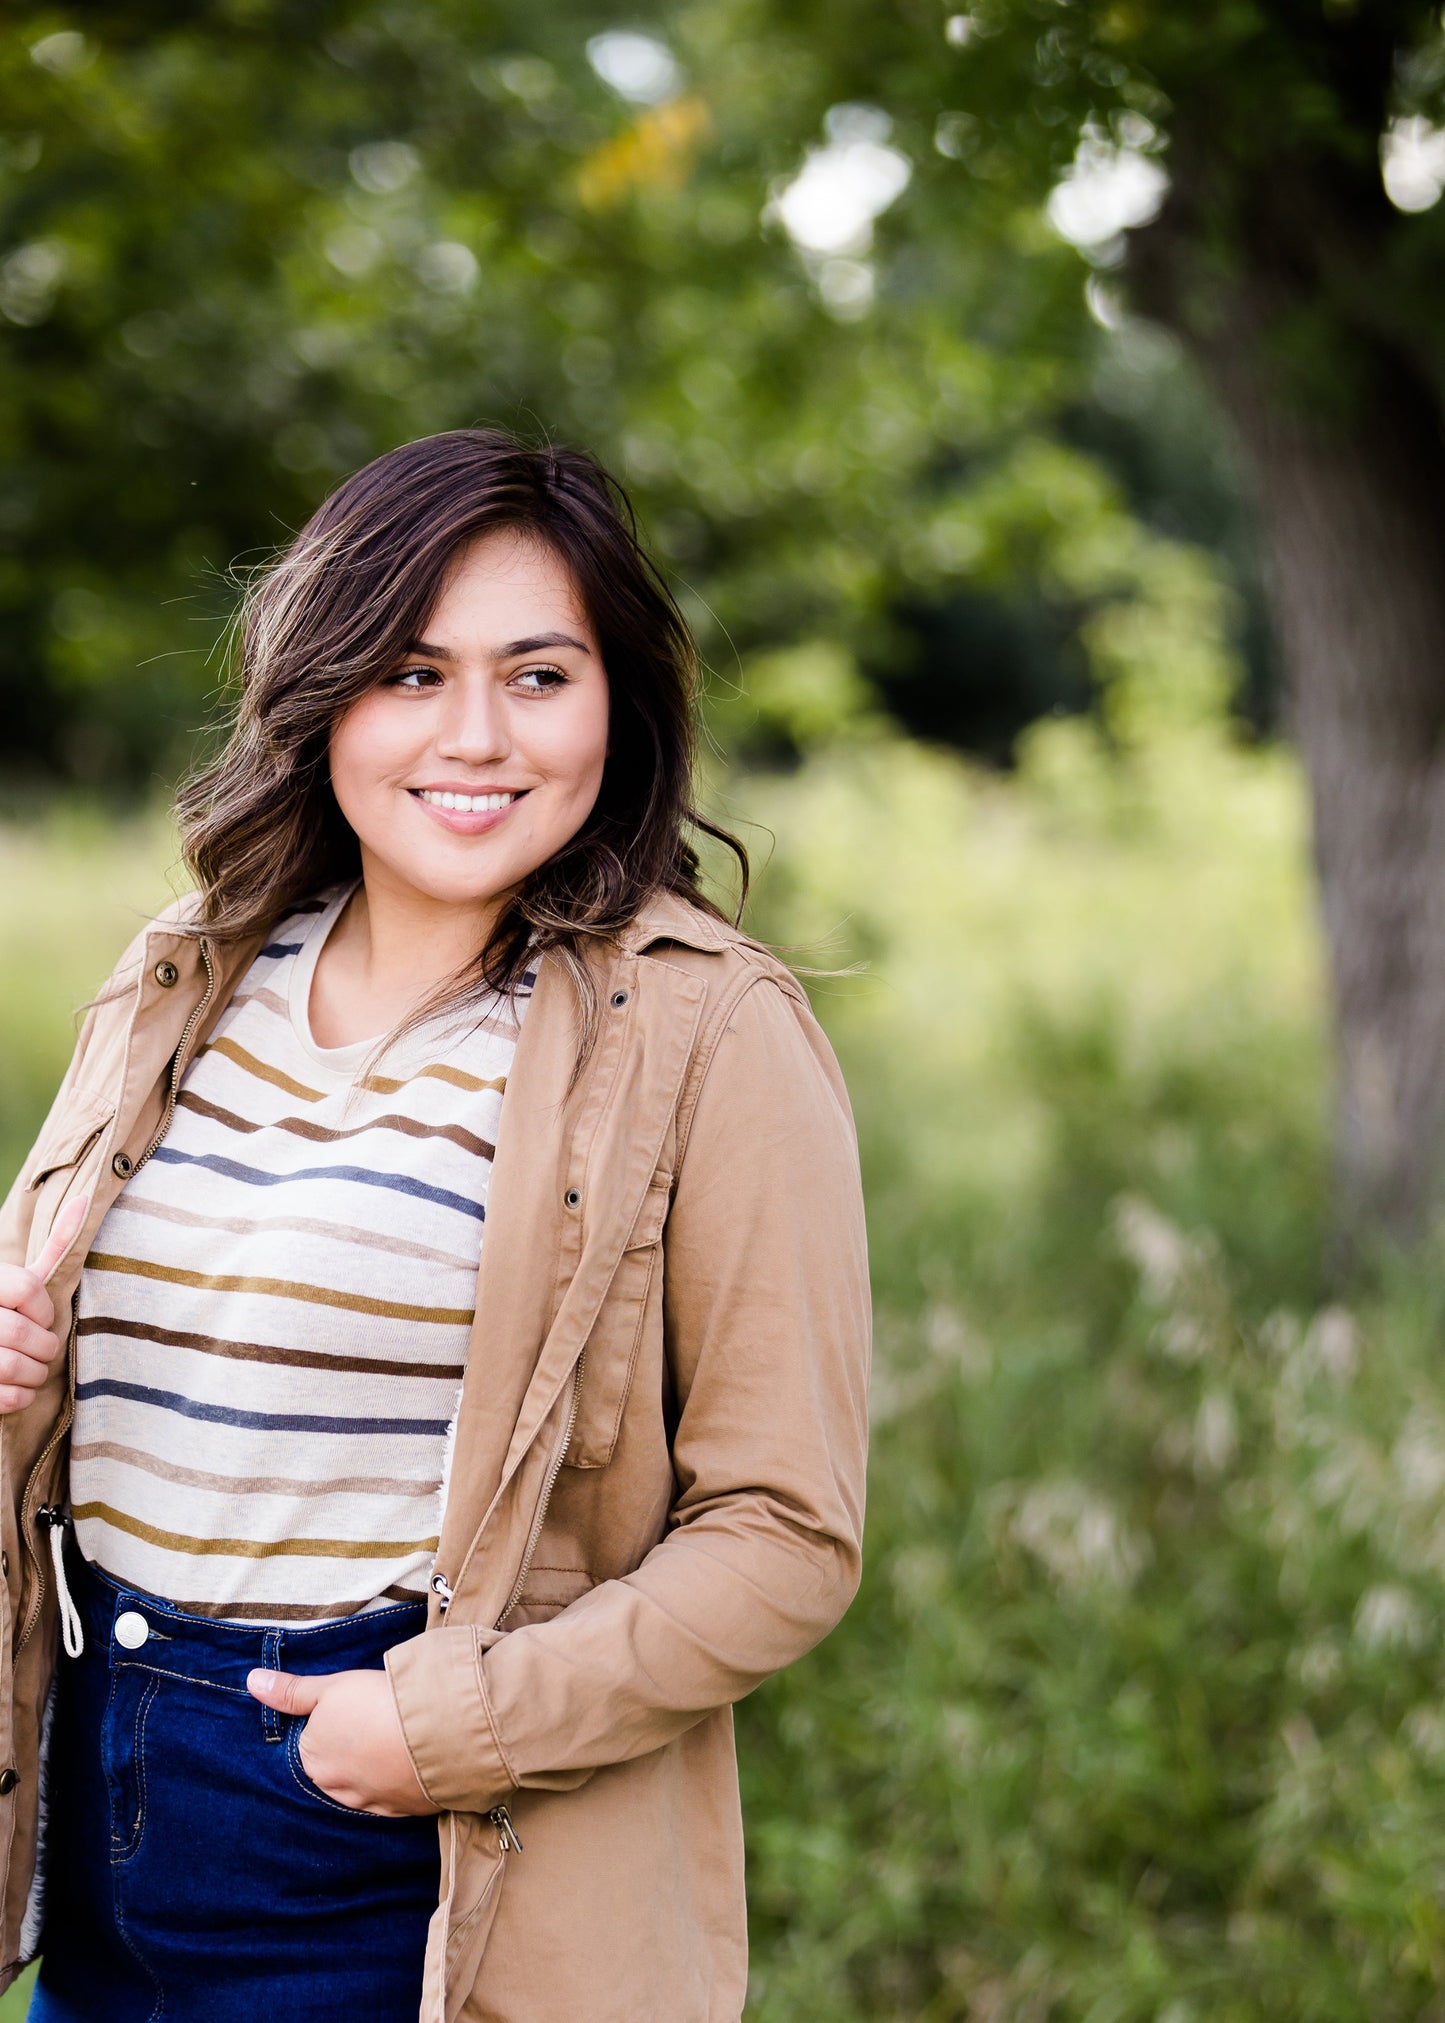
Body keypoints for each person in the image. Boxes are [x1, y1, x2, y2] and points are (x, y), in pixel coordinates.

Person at [0, 428, 871, 2023]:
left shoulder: (704, 1032)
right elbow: (89, 1355)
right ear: (323, 689)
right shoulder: (188, 966)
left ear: (620, 701)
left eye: (539, 676)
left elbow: (784, 1537)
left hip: (401, 1845)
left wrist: (440, 1727)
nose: (476, 735)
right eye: (410, 671)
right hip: (97, 1790)